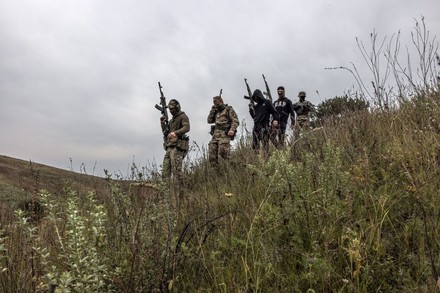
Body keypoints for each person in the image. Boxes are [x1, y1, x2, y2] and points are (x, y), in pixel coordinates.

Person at [160, 99, 190, 184]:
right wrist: (162, 124)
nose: (170, 111)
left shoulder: (182, 116)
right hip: (169, 147)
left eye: (172, 109)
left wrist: (176, 133)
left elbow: (187, 128)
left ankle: (181, 194)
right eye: (169, 109)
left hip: (178, 147)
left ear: (177, 107)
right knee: (165, 173)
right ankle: (166, 195)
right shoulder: (171, 121)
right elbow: (166, 133)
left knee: (177, 172)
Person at [207, 95, 239, 168]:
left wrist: (232, 129)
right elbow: (209, 121)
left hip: (224, 134)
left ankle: (237, 166)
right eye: (215, 105)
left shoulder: (228, 109)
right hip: (215, 135)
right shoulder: (216, 111)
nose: (217, 106)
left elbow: (235, 120)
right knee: (212, 155)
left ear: (222, 102)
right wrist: (212, 111)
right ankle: (217, 173)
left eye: (218, 104)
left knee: (223, 153)